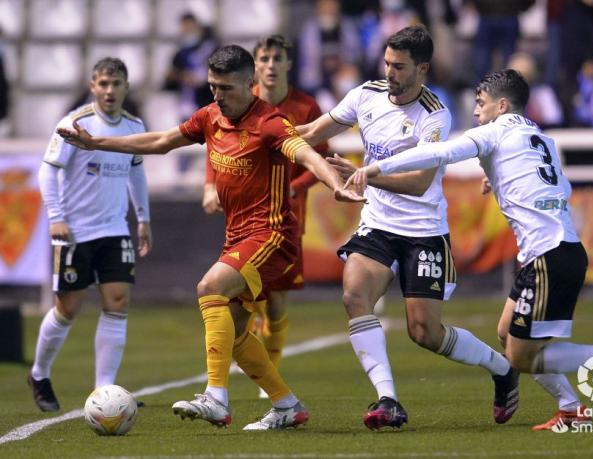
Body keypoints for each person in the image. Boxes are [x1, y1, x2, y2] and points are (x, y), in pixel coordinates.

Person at [57, 45, 365, 430]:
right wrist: (98, 143)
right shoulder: (211, 116)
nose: (217, 95)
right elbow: (160, 142)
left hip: (272, 235)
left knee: (209, 287)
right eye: (212, 86)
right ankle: (287, 405)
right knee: (234, 332)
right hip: (237, 237)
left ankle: (216, 397)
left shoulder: (270, 122)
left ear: (250, 84)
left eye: (226, 88)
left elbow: (307, 156)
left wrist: (336, 183)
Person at [347, 69, 593, 429]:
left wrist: (376, 167)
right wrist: (501, 176)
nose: (475, 112)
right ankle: (570, 407)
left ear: (501, 105)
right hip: (556, 251)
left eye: (480, 104)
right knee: (507, 332)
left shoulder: (495, 132)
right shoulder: (540, 138)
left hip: (548, 257)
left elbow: (439, 152)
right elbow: (562, 188)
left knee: (521, 357)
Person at [296, 25, 519, 431]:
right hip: (378, 226)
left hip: (422, 231)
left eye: (399, 67)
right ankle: (388, 399)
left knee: (425, 332)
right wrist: (264, 140)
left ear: (423, 69)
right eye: (387, 63)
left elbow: (418, 183)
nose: (390, 73)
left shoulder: (435, 115)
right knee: (354, 295)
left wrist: (365, 176)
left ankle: (502, 369)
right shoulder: (365, 95)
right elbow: (311, 134)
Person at [203, 35, 330, 399]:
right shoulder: (232, 103)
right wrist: (209, 186)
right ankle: (262, 388)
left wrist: (297, 187)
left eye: (277, 57)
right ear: (254, 66)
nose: (271, 65)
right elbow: (213, 142)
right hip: (244, 221)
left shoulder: (304, 108)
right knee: (242, 302)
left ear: (289, 64)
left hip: (284, 222)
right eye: (264, 58)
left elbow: (317, 155)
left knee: (274, 305)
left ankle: (266, 379)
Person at [28, 57, 152, 412]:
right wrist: (56, 217)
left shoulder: (133, 125)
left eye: (116, 84)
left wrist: (143, 219)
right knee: (67, 309)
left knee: (118, 302)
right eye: (103, 84)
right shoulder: (74, 123)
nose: (110, 91)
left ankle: (105, 391)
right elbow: (47, 173)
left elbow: (136, 175)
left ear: (126, 87)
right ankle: (39, 374)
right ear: (92, 86)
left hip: (115, 229)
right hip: (75, 231)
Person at [163, 12, 219, 122]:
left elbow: (221, 75)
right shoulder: (180, 54)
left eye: (189, 27)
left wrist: (199, 79)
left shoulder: (212, 49)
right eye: (184, 27)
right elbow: (169, 83)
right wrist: (176, 76)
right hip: (185, 107)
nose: (187, 31)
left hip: (208, 104)